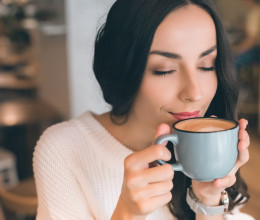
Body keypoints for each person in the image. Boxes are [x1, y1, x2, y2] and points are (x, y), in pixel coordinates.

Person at [33, 0, 254, 219]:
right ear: (123, 70)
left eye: (207, 66)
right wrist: (127, 214)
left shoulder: (206, 146)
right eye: (165, 70)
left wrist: (207, 199)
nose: (195, 93)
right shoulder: (63, 149)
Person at [233, 0, 260, 72]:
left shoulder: (255, 13)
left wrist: (237, 50)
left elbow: (251, 40)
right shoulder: (256, 10)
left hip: (257, 50)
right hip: (256, 48)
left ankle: (231, 83)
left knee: (233, 62)